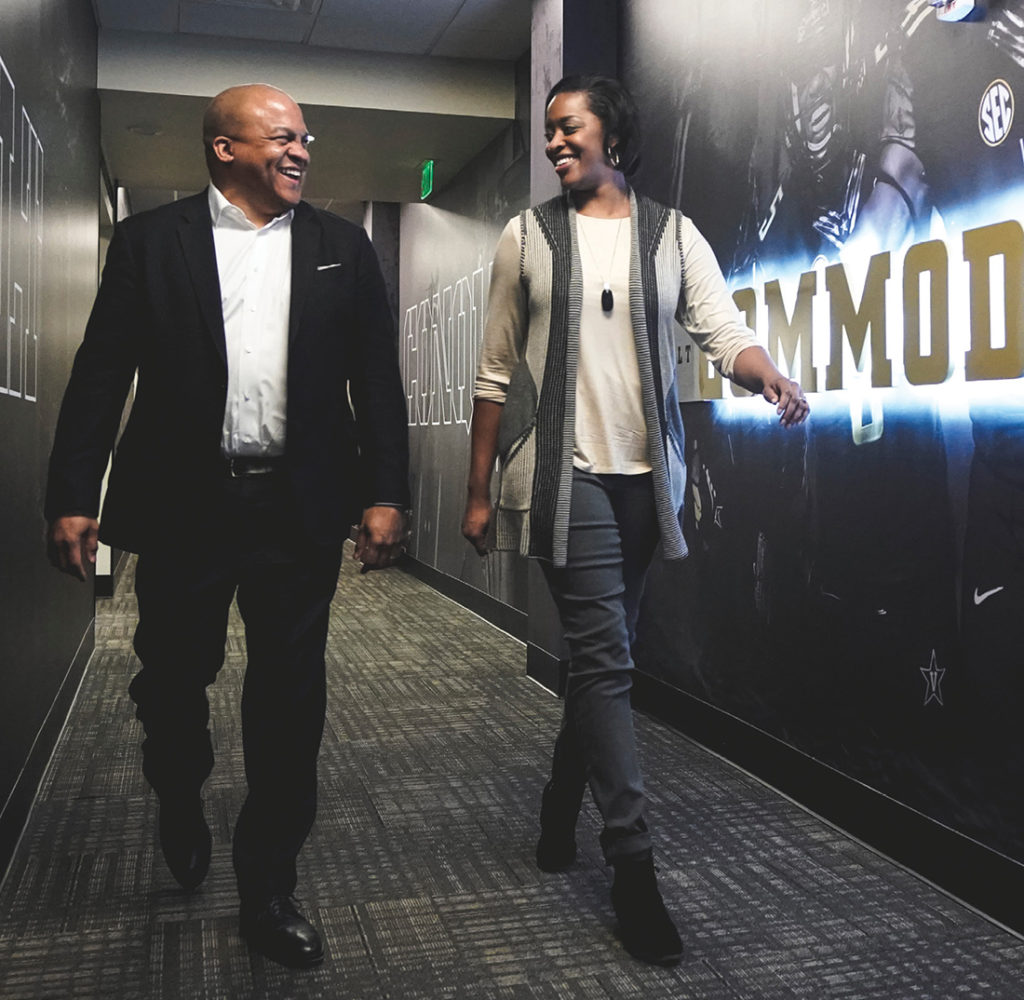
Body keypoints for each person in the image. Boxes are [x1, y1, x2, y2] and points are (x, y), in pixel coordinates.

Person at [45, 84, 409, 969]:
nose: (301, 151)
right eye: (281, 137)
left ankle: (268, 886)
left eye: (304, 137)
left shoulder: (343, 249)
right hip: (183, 507)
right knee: (174, 679)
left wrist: (388, 492)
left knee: (290, 699)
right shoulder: (150, 243)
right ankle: (177, 783)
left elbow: (377, 379)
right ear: (223, 150)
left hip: (297, 508)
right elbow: (101, 375)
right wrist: (70, 494)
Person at [461, 75, 808, 966]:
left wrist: (764, 373)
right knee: (609, 662)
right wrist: (473, 490)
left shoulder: (670, 233)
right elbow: (494, 374)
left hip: (646, 485)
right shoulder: (525, 239)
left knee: (598, 657)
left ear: (611, 131)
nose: (553, 143)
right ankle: (633, 867)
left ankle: (559, 794)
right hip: (561, 479)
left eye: (567, 127)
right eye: (547, 132)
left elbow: (722, 330)